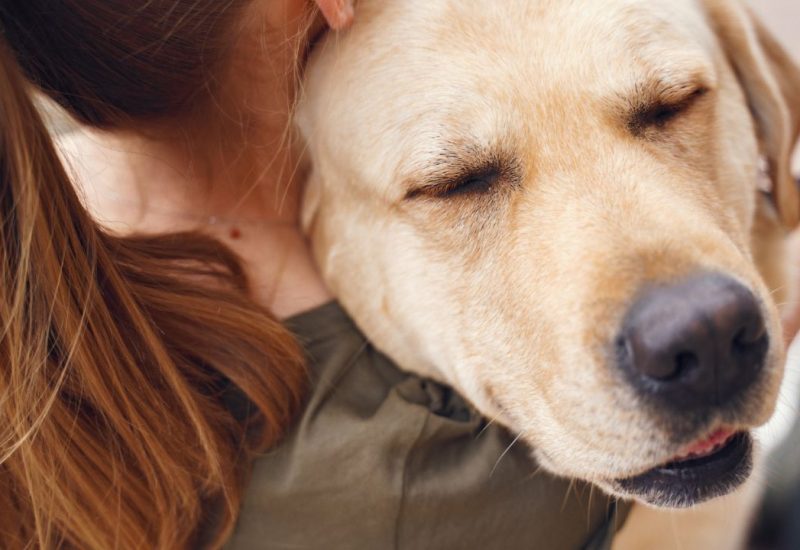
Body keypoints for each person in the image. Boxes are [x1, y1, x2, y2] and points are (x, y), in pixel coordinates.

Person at [0, 1, 793, 549]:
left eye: (670, 107)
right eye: (461, 182)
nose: (694, 315)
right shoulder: (421, 478)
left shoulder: (38, 218)